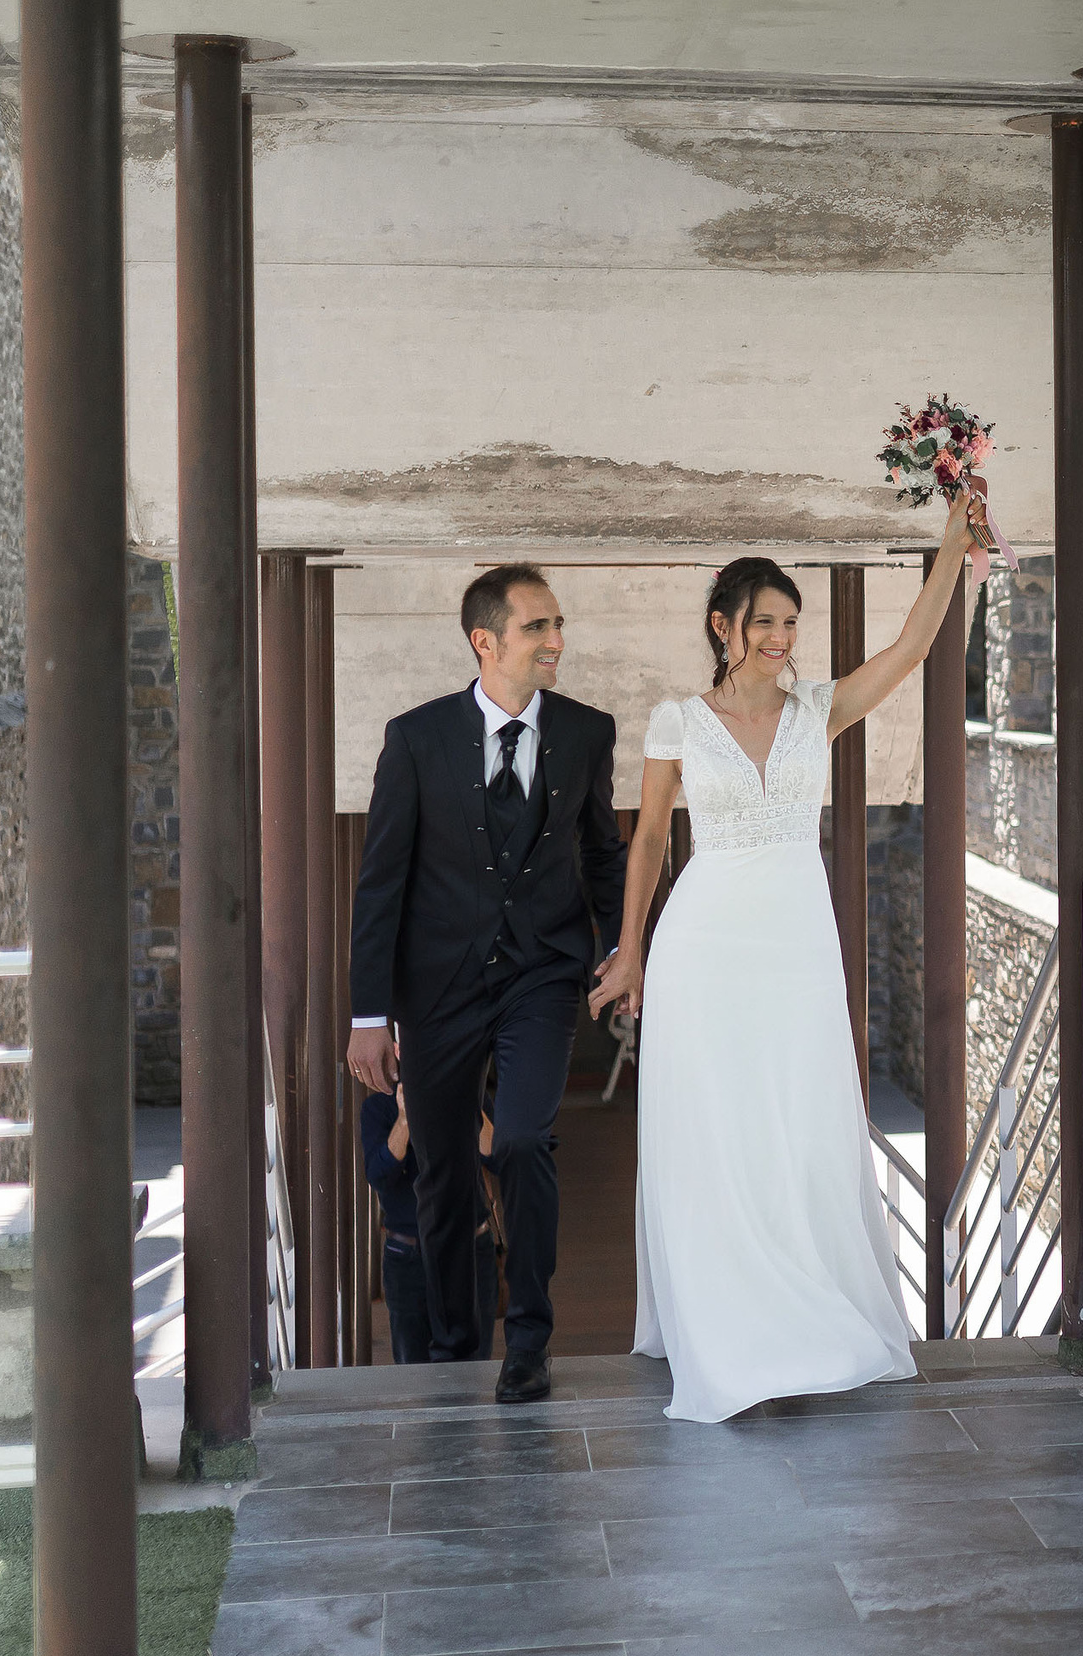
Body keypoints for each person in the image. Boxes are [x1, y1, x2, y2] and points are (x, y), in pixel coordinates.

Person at [586, 488, 978, 1421]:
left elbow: (915, 650)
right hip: (704, 946)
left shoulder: (818, 708)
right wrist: (631, 952)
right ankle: (724, 1327)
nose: (780, 637)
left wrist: (952, 545)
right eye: (764, 622)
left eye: (790, 623)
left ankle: (808, 1312)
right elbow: (645, 844)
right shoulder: (676, 719)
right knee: (716, 1132)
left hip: (798, 947)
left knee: (798, 1122)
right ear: (724, 627)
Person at [345, 564, 628, 1403]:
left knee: (518, 1139)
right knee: (440, 1170)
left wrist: (624, 947)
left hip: (543, 975)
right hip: (437, 989)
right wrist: (370, 1014)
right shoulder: (417, 739)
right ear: (486, 641)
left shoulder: (587, 732)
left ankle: (530, 1339)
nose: (557, 642)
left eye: (558, 625)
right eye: (539, 628)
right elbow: (380, 884)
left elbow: (603, 855)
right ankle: (458, 1342)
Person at [359, 1087, 500, 1365]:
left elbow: (497, 1157)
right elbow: (378, 1176)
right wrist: (405, 1119)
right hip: (408, 1252)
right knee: (413, 1366)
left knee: (476, 1363)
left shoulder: (475, 1095)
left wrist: (467, 1102)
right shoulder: (379, 1107)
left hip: (470, 1246)